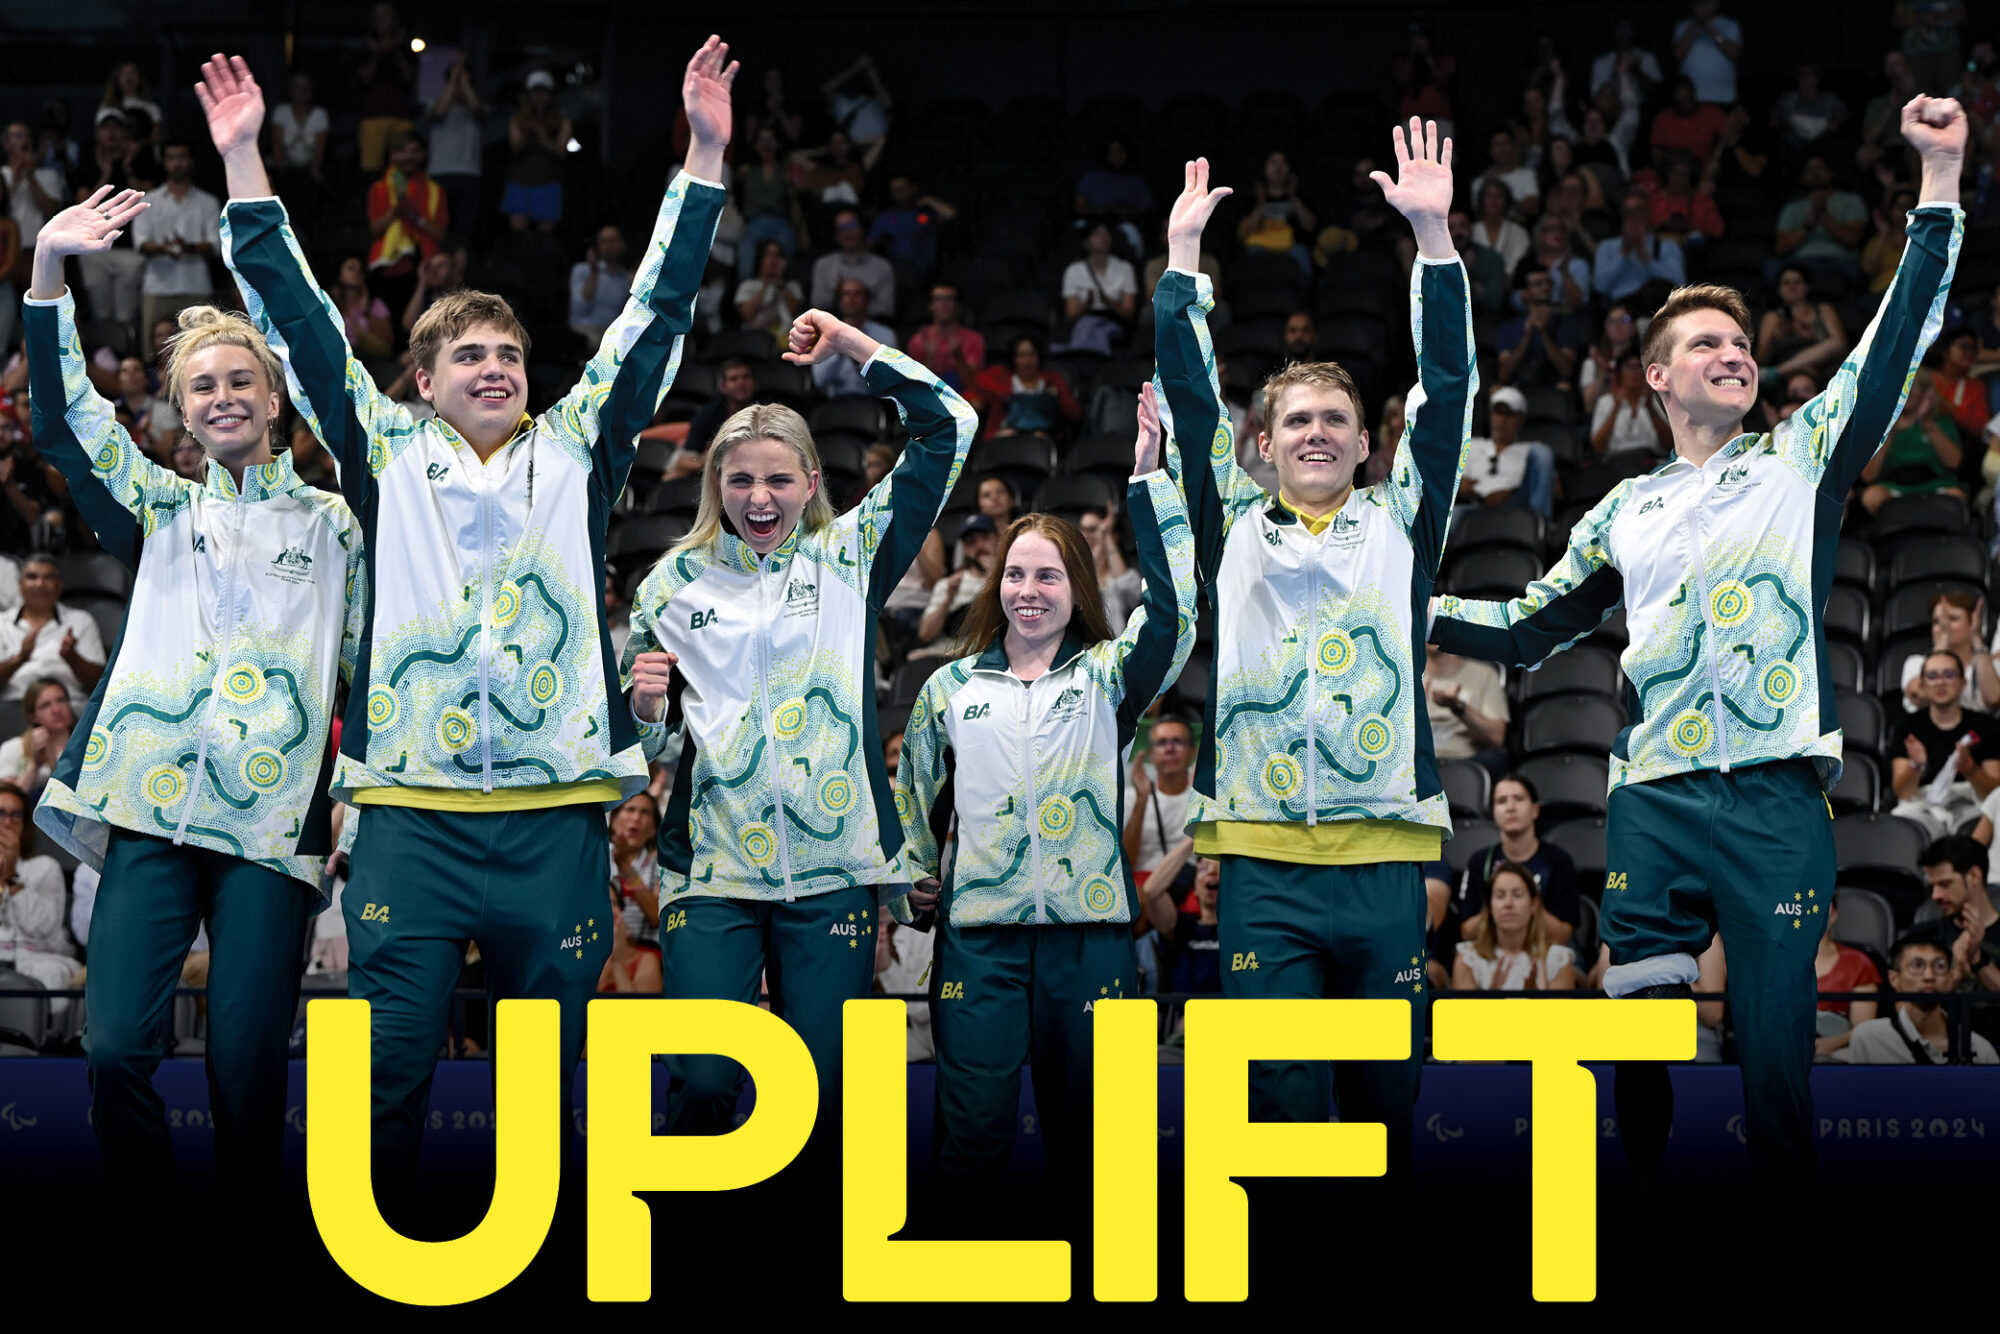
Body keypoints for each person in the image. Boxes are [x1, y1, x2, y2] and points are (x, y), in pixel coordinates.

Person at [202, 39, 733, 1209]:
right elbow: (295, 316)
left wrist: (702, 153)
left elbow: (656, 311)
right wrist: (244, 164)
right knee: (386, 1067)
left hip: (552, 816)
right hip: (410, 812)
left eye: (507, 353)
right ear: (422, 380)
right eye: (466, 354)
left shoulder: (579, 446)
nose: (493, 367)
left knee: (547, 1075)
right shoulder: (382, 452)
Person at [1428, 94, 1969, 1192]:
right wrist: (1407, 607)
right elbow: (1528, 626)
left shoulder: (1801, 456)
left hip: (1774, 797)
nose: (1730, 352)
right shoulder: (1619, 510)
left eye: (1737, 341)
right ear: (1656, 378)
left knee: (1775, 1059)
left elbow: (1894, 337)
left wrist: (1939, 185)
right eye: (1703, 343)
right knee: (1640, 1033)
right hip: (1656, 795)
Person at [23, 187, 364, 1203]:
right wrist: (48, 270)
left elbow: (369, 668)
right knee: (116, 1047)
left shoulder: (340, 527)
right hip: (149, 810)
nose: (220, 395)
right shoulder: (159, 508)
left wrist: (356, 793)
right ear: (182, 406)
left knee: (243, 1072)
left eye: (239, 381)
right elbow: (62, 420)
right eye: (201, 384)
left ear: (274, 399)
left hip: (269, 829)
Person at [1154, 127, 1470, 1172]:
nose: (1318, 432)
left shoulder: (1401, 526)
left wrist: (1432, 241)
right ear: (1263, 439)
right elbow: (1191, 395)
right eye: (1295, 419)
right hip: (1257, 859)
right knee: (1280, 1100)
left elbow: (1451, 388)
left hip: (1382, 858)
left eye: (1336, 417)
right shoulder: (1228, 523)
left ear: (1367, 440)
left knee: (1388, 1095)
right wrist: (1181, 270)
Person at [621, 306, 975, 1152]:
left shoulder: (851, 558)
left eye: (779, 480)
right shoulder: (670, 583)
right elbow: (654, 746)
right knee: (703, 1076)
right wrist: (643, 710)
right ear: (717, 488)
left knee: (819, 1092)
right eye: (739, 481)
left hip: (835, 869)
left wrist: (854, 349)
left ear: (812, 483)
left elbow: (950, 425)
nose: (759, 497)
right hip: (711, 865)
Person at [892, 382, 1194, 1223]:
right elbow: (912, 795)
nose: (1030, 589)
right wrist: (911, 881)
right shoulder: (949, 686)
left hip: (1090, 940)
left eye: (1049, 574)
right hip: (979, 940)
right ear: (997, 582)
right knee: (972, 1137)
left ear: (1076, 586)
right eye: (1016, 572)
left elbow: (1176, 616)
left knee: (1098, 1141)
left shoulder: (1107, 677)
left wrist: (1149, 481)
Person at [1842, 933, 1997, 1063]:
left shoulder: (1979, 1049)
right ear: (1894, 978)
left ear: (1950, 978)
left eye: (1940, 966)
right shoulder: (1869, 1039)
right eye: (1917, 966)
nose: (1929, 976)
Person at [131, 140, 220, 343]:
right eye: (171, 157)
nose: (177, 163)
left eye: (182, 157)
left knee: (203, 346)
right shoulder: (147, 201)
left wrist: (187, 247)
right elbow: (141, 243)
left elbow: (214, 245)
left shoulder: (208, 202)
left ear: (191, 161)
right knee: (154, 352)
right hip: (157, 287)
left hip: (196, 285)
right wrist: (164, 249)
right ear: (164, 162)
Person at [0, 780, 77, 1001]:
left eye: (15, 815)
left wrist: (11, 875)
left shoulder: (44, 867)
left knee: (52, 976)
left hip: (37, 959)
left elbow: (43, 929)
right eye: (1, 813)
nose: (6, 822)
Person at [1450, 861, 1578, 990]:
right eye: (1500, 896)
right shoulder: (1468, 959)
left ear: (1534, 904)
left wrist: (1536, 999)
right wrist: (1491, 999)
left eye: (1517, 895)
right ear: (1489, 907)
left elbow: (1563, 1010)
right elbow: (1461, 1010)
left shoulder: (1558, 960)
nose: (1508, 903)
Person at [0, 554, 104, 708]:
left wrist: (71, 656)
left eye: (48, 577)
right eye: (32, 577)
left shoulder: (81, 621)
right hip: (14, 710)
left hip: (69, 709)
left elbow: (98, 682)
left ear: (59, 585)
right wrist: (20, 658)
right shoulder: (2, 623)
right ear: (20, 584)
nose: (40, 584)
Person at [365, 132, 447, 320]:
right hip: (385, 266)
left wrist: (413, 215)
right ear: (392, 155)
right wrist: (396, 211)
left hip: (422, 267)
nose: (408, 156)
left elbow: (439, 234)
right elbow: (375, 230)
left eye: (415, 151)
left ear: (423, 155)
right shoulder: (378, 189)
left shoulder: (436, 190)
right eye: (401, 151)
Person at [1858, 371, 1963, 513]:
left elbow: (1954, 462)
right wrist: (1890, 429)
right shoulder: (1878, 426)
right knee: (1871, 496)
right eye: (1900, 385)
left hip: (1935, 484)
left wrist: (1928, 424)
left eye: (1913, 386)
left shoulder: (1941, 421)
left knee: (1956, 496)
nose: (1906, 391)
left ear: (1926, 392)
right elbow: (1868, 476)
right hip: (1894, 487)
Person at [1917, 836, 2000, 993]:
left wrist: (1977, 960)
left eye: (1945, 884)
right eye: (1932, 886)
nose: (1935, 895)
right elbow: (1906, 1005)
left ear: (1974, 876)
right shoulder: (1922, 937)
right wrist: (1956, 976)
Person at [1123, 712, 1197, 886]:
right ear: (1150, 754)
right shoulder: (1130, 798)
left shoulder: (1205, 799)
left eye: (1177, 741)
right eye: (1162, 743)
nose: (1169, 749)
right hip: (1142, 887)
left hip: (1190, 887)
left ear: (1192, 751)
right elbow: (1125, 865)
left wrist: (1203, 800)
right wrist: (1141, 802)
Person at [1458, 386, 1554, 518]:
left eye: (1509, 414)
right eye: (1498, 412)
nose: (1502, 420)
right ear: (1491, 415)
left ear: (1520, 419)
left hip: (1517, 506)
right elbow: (1459, 484)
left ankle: (1537, 523)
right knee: (1452, 517)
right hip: (1479, 508)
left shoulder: (1530, 452)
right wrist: (1476, 490)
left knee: (1542, 451)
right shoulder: (1473, 445)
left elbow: (1553, 489)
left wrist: (1511, 492)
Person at [1774, 154, 1868, 289]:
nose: (1816, 174)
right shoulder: (1792, 207)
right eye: (1810, 169)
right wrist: (1808, 224)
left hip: (1840, 262)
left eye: (1820, 168)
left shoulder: (1851, 201)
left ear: (1831, 172)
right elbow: (1781, 247)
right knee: (1774, 269)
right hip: (1800, 262)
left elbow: (1852, 240)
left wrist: (1823, 214)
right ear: (1802, 176)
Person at [602, 792, 662, 993]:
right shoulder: (596, 860)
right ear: (614, 820)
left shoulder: (660, 869)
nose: (636, 818)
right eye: (630, 810)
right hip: (596, 950)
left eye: (644, 813)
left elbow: (656, 916)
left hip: (642, 957)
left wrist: (626, 868)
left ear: (653, 830)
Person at [1899, 591, 1999, 712]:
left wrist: (1977, 641)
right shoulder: (1916, 663)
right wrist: (1941, 649)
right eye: (1936, 622)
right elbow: (1921, 694)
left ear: (1973, 623)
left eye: (1952, 619)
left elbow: (1994, 699)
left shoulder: (1989, 666)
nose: (1943, 626)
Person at [969, 336, 1081, 442]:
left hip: (1042, 438)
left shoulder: (1053, 380)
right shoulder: (1000, 378)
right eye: (1021, 356)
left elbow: (1075, 414)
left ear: (1039, 357)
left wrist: (1058, 394)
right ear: (1013, 358)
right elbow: (974, 393)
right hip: (1005, 435)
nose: (1027, 361)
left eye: (1031, 355)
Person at [423, 57, 484, 251]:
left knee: (464, 231)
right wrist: (453, 79)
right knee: (437, 227)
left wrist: (463, 80)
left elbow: (477, 109)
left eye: (463, 83)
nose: (459, 87)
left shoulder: (478, 108)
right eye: (455, 83)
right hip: (439, 174)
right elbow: (439, 113)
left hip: (469, 175)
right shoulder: (433, 105)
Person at [1755, 265, 1848, 391]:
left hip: (1821, 366)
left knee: (1835, 343)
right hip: (1787, 365)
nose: (1792, 286)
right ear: (1779, 289)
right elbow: (1761, 358)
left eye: (1797, 282)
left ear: (1807, 287)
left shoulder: (1823, 309)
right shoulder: (1772, 317)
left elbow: (1840, 346)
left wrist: (1812, 334)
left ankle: (1777, 372)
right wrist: (1774, 338)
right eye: (1786, 282)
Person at [1811, 895, 1880, 1059]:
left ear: (1834, 914)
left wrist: (1832, 1043)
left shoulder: (1858, 964)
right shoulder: (1775, 962)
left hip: (1833, 1052)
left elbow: (1863, 1028)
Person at [1425, 643, 1509, 777]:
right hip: (1418, 761)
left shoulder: (1483, 674)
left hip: (1468, 760)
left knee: (1496, 760)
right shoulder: (1404, 677)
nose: (1430, 633)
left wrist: (1458, 707)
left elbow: (1497, 737)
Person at [354, 3, 418, 173]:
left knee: (403, 168)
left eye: (386, 15)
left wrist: (395, 48)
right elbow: (364, 77)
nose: (382, 19)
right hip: (373, 115)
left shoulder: (405, 44)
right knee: (371, 169)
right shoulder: (367, 44)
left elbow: (409, 76)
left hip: (401, 114)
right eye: (378, 15)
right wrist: (377, 52)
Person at [504, 71, 571, 233]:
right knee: (518, 229)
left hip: (548, 181)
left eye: (543, 91)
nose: (539, 96)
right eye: (535, 92)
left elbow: (562, 151)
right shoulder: (518, 119)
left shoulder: (562, 121)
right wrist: (527, 132)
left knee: (545, 231)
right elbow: (514, 147)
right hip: (520, 180)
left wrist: (543, 137)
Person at [1495, 265, 1580, 390]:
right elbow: (1504, 375)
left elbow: (1566, 371)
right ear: (1524, 293)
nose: (1545, 287)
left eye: (1548, 282)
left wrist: (1544, 334)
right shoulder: (1509, 327)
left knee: (1565, 388)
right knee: (1496, 390)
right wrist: (1526, 337)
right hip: (1518, 385)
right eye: (1538, 284)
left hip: (1552, 386)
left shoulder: (1565, 325)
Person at [811, 277, 897, 399]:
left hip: (874, 403)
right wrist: (837, 347)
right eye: (846, 294)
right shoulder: (824, 335)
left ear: (867, 300)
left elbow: (887, 382)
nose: (851, 299)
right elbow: (820, 381)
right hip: (835, 402)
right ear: (840, 301)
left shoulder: (885, 335)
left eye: (857, 294)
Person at [1593, 192, 1687, 304]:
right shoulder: (1607, 246)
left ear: (1648, 214)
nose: (1633, 217)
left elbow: (1679, 283)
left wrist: (1646, 256)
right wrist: (1624, 253)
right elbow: (1600, 286)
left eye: (1637, 211)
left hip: (1657, 307)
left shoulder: (1667, 246)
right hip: (1622, 308)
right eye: (1628, 212)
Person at [735, 125, 799, 283]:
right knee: (745, 255)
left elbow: (803, 186)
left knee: (787, 255)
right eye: (762, 140)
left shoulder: (786, 169)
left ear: (777, 144)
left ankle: (783, 291)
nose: (766, 144)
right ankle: (748, 292)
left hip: (780, 222)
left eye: (770, 139)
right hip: (754, 223)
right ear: (756, 145)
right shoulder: (747, 170)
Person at [1061, 219, 1138, 344]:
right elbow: (1070, 315)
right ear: (1086, 242)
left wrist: (1109, 302)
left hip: (1115, 322)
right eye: (1097, 234)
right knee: (1087, 328)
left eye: (1106, 234)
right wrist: (1086, 304)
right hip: (1085, 321)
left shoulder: (1125, 268)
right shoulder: (1073, 271)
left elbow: (1129, 313)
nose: (1103, 238)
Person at [808, 207, 894, 316]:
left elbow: (886, 309)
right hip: (832, 326)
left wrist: (859, 303)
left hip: (872, 328)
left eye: (852, 225)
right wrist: (836, 294)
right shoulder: (823, 265)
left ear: (862, 229)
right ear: (836, 235)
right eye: (842, 228)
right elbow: (817, 307)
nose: (848, 232)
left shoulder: (882, 266)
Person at [867, 172, 954, 278]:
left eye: (903, 190)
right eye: (895, 192)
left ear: (913, 188)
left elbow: (951, 215)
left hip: (922, 268)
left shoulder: (927, 213)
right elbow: (870, 243)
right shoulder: (885, 217)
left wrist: (929, 200)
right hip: (894, 267)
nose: (900, 195)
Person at [1590, 350, 1672, 457]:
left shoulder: (1658, 400)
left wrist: (1650, 408)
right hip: (1616, 463)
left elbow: (1670, 444)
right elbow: (1598, 447)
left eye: (1639, 367)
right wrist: (1616, 407)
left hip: (1652, 462)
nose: (1634, 372)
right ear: (1619, 373)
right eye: (1628, 367)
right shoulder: (1605, 402)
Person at [904, 281, 985, 390]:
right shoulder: (918, 341)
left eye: (949, 299)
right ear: (930, 306)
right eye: (938, 299)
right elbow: (915, 387)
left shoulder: (974, 339)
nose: (944, 305)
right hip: (929, 396)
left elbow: (973, 386)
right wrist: (929, 357)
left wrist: (958, 356)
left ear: (958, 306)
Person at [0, 676, 72, 798]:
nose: (56, 709)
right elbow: (7, 803)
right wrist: (34, 765)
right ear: (32, 716)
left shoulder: (89, 745)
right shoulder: (13, 748)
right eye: (45, 705)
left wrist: (54, 765)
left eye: (61, 700)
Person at [733, 238, 803, 350]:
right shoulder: (748, 285)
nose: (773, 259)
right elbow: (747, 315)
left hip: (786, 341)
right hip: (754, 340)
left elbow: (794, 309)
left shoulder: (792, 286)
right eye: (768, 255)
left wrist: (780, 283)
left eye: (778, 255)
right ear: (760, 259)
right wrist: (766, 286)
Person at [569, 224, 631, 345]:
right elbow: (579, 310)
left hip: (614, 333)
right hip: (584, 330)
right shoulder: (582, 270)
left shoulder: (627, 278)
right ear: (597, 247)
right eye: (604, 241)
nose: (610, 246)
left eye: (614, 240)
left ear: (623, 245)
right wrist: (594, 274)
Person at [683, 357, 756, 458]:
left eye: (746, 377)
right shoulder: (708, 413)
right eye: (733, 379)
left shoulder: (766, 409)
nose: (741, 383)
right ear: (723, 386)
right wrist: (708, 460)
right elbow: (688, 455)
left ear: (754, 382)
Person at [1673, 0, 1742, 105]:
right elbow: (1678, 54)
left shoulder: (1729, 25)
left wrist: (1709, 27)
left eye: (1705, 4)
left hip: (1723, 95)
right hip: (1691, 98)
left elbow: (1734, 53)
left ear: (1714, 5)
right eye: (1698, 4)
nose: (1701, 7)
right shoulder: (1682, 26)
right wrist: (1696, 25)